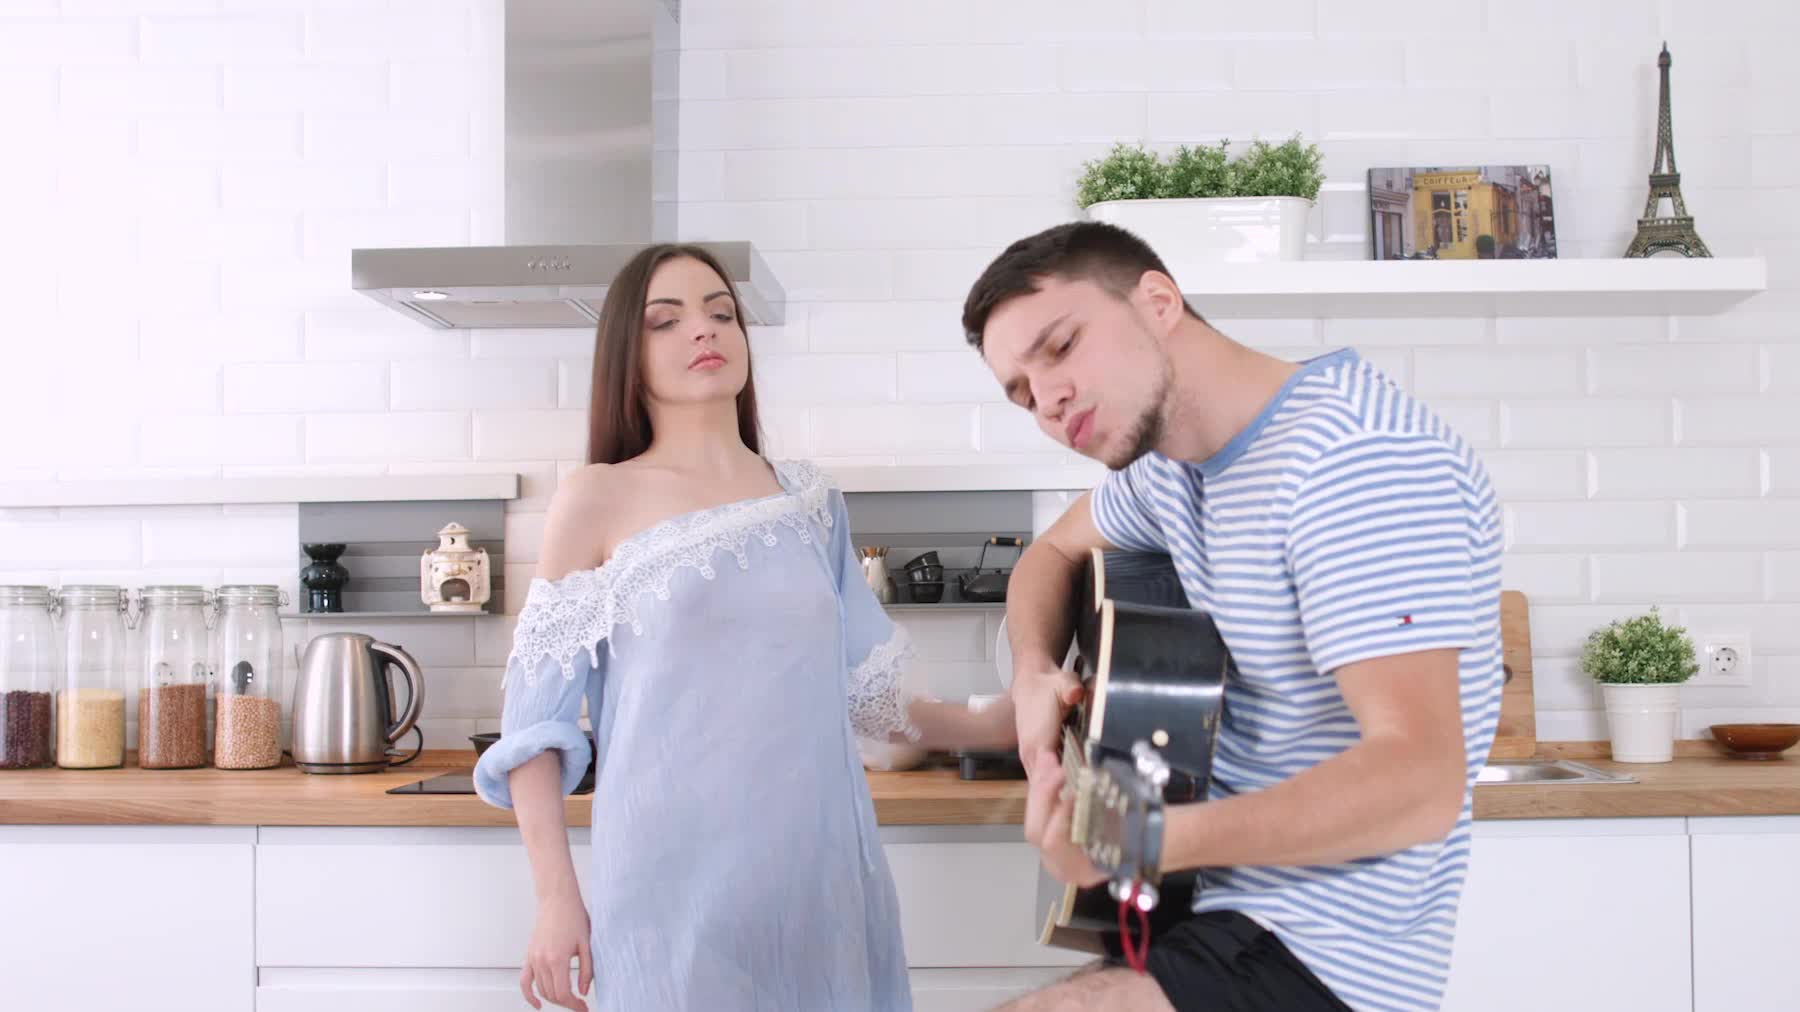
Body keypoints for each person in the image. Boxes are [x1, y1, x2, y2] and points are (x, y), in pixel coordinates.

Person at [961, 222, 1504, 1012]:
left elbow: (1421, 782)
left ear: (1158, 302)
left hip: (1320, 953)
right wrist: (1034, 671)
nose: (1047, 400)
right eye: (1021, 392)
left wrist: (1140, 840)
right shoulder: (1170, 469)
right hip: (1205, 913)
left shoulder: (1355, 459)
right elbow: (1050, 554)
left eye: (1062, 346)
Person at [472, 243, 1016, 1012]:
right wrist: (556, 900)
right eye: (666, 321)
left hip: (820, 886)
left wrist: (998, 724)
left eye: (722, 313)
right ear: (628, 355)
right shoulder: (595, 498)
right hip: (669, 892)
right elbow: (534, 728)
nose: (704, 330)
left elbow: (869, 697)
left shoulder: (810, 502)